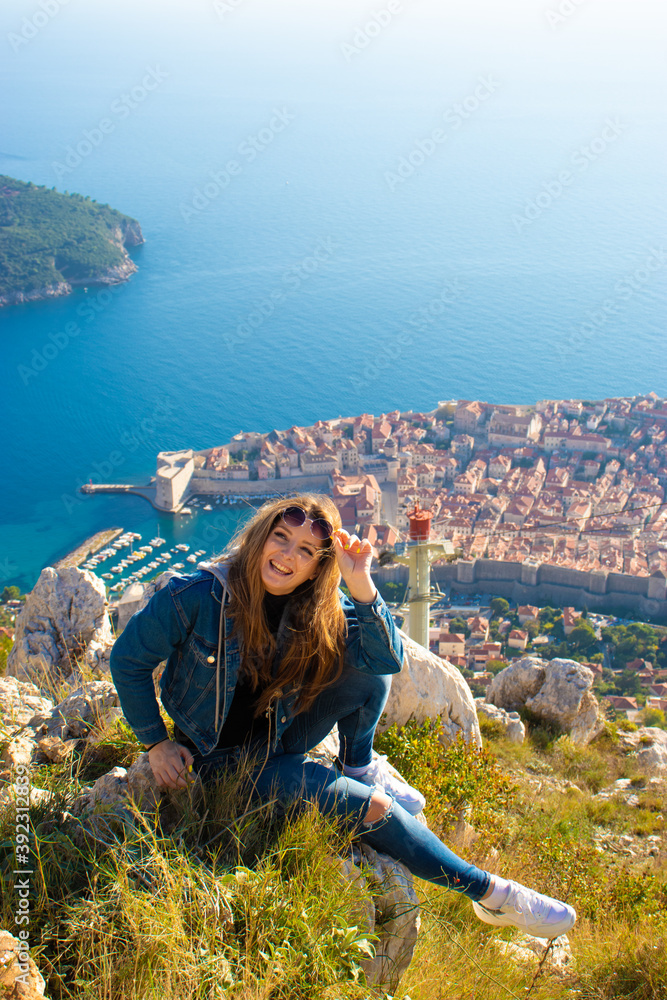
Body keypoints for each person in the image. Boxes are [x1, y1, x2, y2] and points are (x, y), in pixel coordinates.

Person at [109, 493, 576, 940]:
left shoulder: (316, 608)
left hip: (280, 735)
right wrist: (155, 743)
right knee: (376, 810)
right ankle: (494, 895)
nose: (288, 556)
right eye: (281, 538)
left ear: (318, 566)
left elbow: (386, 659)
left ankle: (358, 765)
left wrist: (360, 580)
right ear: (260, 537)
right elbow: (127, 660)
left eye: (307, 551)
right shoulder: (196, 596)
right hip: (223, 761)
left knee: (366, 671)